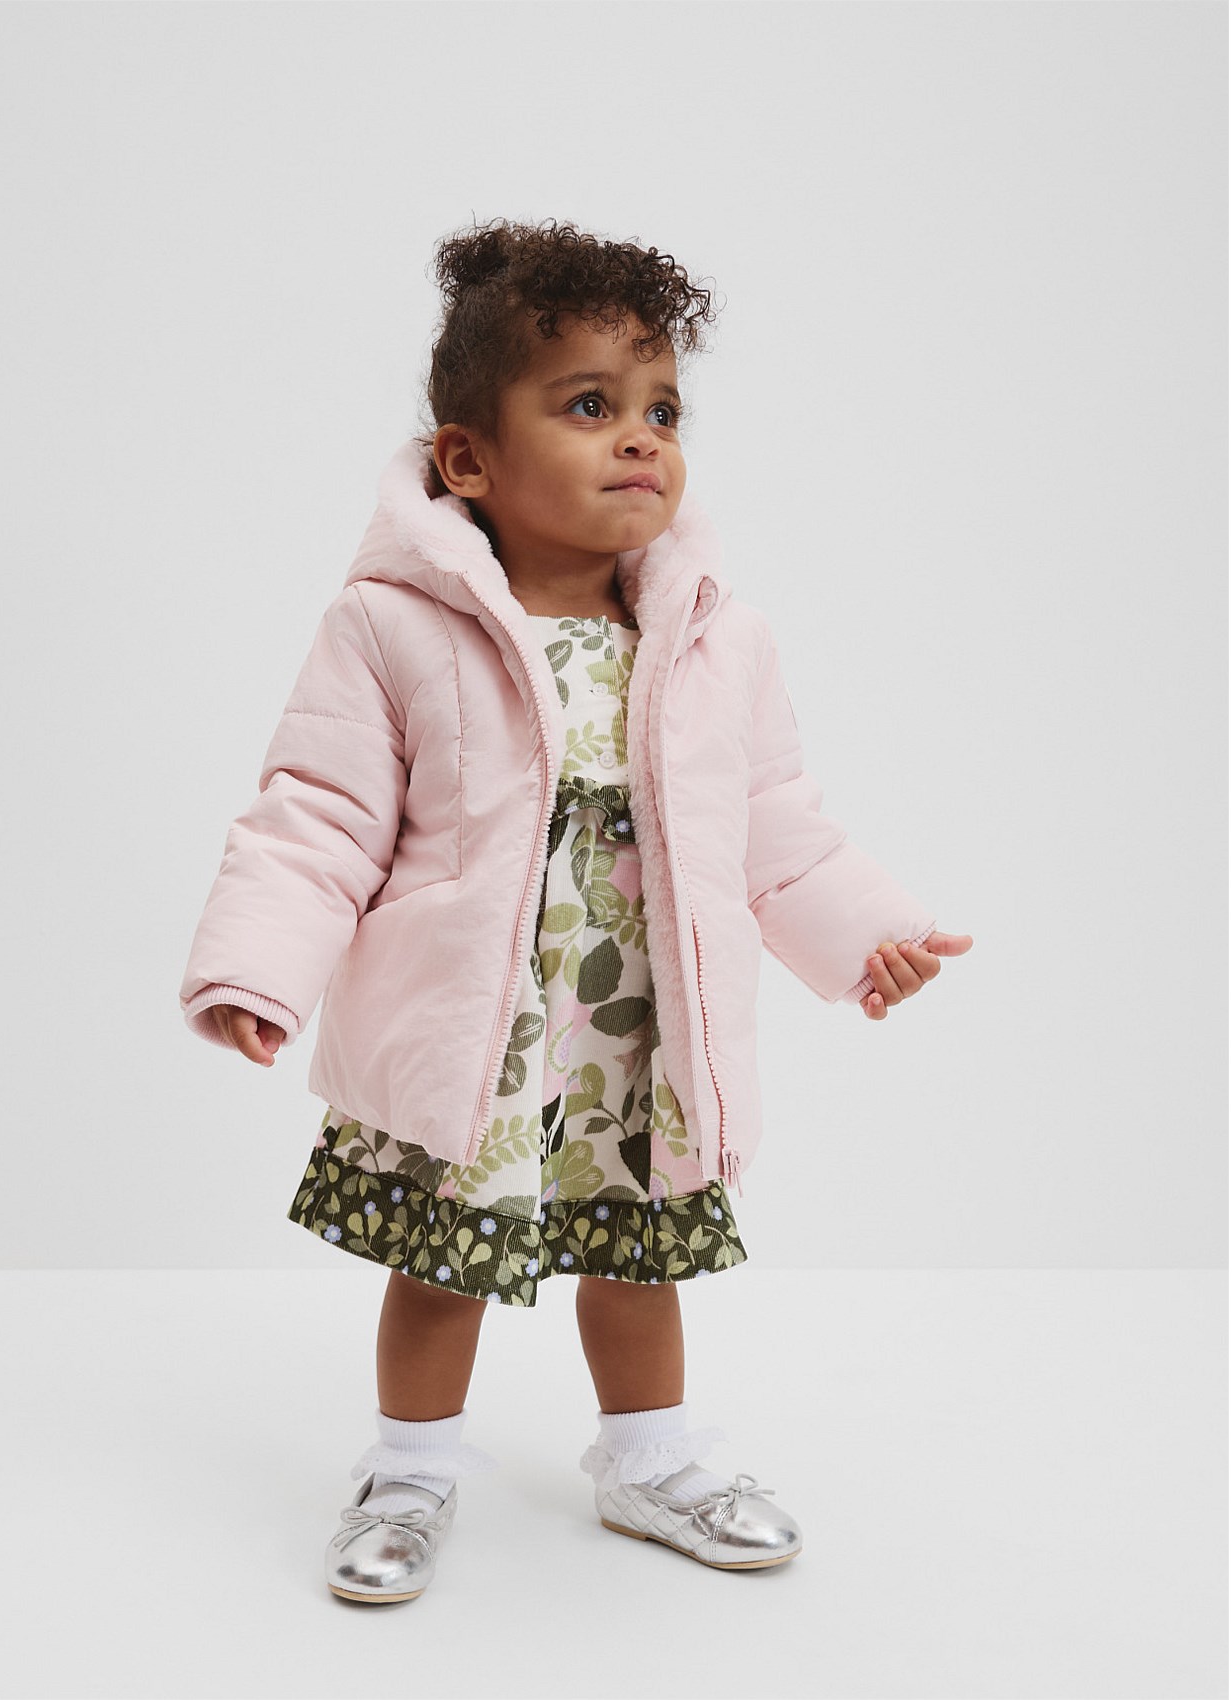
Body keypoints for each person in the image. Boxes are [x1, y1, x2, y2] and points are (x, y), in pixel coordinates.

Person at [178, 216, 973, 1603]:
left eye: (663, 410)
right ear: (466, 460)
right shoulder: (392, 626)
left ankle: (650, 1462)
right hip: (473, 1039)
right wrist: (258, 967)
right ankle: (409, 1472)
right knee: (444, 1269)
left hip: (638, 1043)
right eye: (591, 406)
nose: (641, 440)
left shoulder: (713, 637)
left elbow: (773, 820)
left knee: (640, 1263)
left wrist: (869, 937)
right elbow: (319, 813)